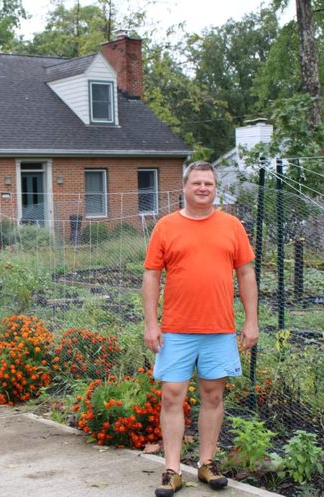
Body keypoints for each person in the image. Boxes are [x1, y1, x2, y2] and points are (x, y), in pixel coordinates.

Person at [142, 161, 259, 497]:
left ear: (214, 188)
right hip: (176, 330)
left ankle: (206, 465)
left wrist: (251, 321)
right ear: (185, 187)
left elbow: (246, 275)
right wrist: (151, 323)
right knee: (172, 397)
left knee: (213, 395)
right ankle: (171, 470)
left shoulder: (232, 226)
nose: (203, 188)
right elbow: (151, 275)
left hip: (220, 329)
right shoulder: (166, 227)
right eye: (197, 183)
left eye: (208, 183)